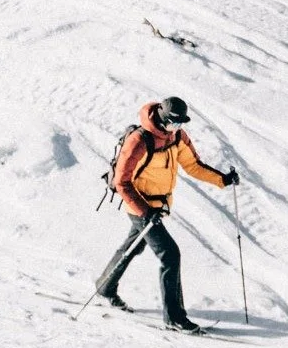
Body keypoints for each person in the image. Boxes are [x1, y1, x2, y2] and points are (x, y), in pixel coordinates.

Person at [94, 96, 238, 334]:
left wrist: (222, 179)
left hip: (157, 208)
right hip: (140, 207)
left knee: (134, 246)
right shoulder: (139, 140)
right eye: (174, 123)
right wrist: (145, 211)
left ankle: (105, 286)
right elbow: (122, 181)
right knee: (170, 255)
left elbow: (193, 166)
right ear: (162, 119)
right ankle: (174, 318)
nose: (178, 128)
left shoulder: (177, 137)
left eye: (181, 124)